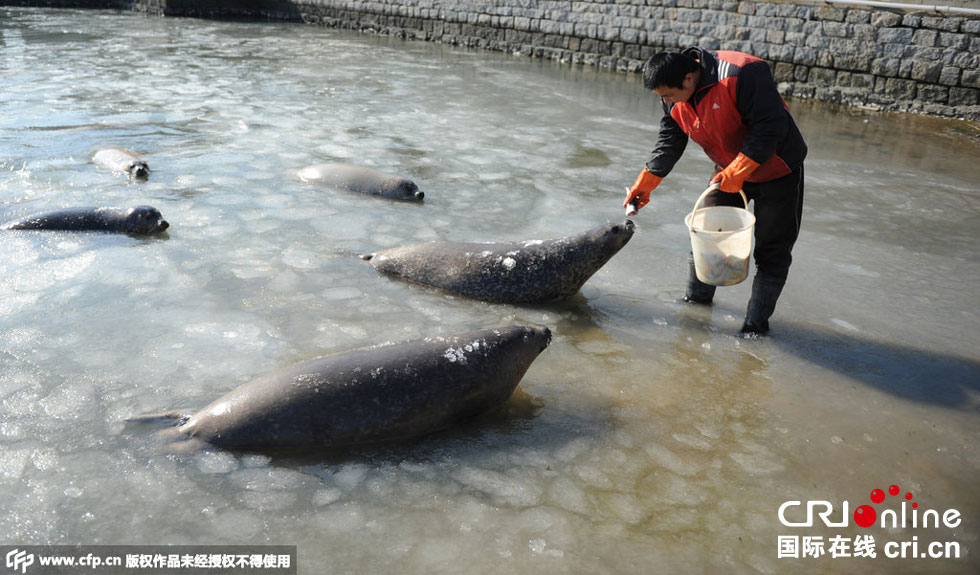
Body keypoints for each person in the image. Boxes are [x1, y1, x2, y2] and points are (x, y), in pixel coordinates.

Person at [624, 48, 807, 335]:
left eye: (668, 95)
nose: (665, 101)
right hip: (727, 168)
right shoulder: (672, 99)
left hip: (778, 170)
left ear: (688, 78)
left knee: (772, 253)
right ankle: (695, 311)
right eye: (661, 97)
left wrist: (738, 173)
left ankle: (754, 329)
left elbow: (771, 126)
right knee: (704, 233)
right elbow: (671, 139)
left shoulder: (741, 73)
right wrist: (647, 181)